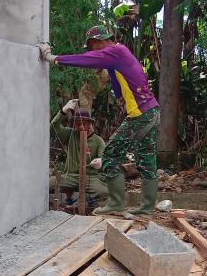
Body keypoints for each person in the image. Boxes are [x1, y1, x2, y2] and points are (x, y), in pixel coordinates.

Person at [39, 26, 160, 215]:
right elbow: (116, 75)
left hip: (140, 114)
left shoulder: (114, 51)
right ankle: (147, 207)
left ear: (99, 41)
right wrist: (119, 95)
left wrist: (54, 59)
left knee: (110, 157)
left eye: (92, 46)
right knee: (147, 160)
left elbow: (86, 60)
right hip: (152, 111)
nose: (92, 51)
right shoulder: (121, 52)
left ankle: (116, 205)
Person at [49, 99, 108, 207]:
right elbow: (52, 129)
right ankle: (69, 200)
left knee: (103, 192)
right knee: (46, 185)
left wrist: (101, 161)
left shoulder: (98, 141)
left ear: (90, 123)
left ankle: (88, 199)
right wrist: (62, 112)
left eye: (83, 123)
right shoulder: (70, 134)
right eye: (77, 124)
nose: (80, 126)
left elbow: (104, 158)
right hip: (70, 176)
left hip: (90, 177)